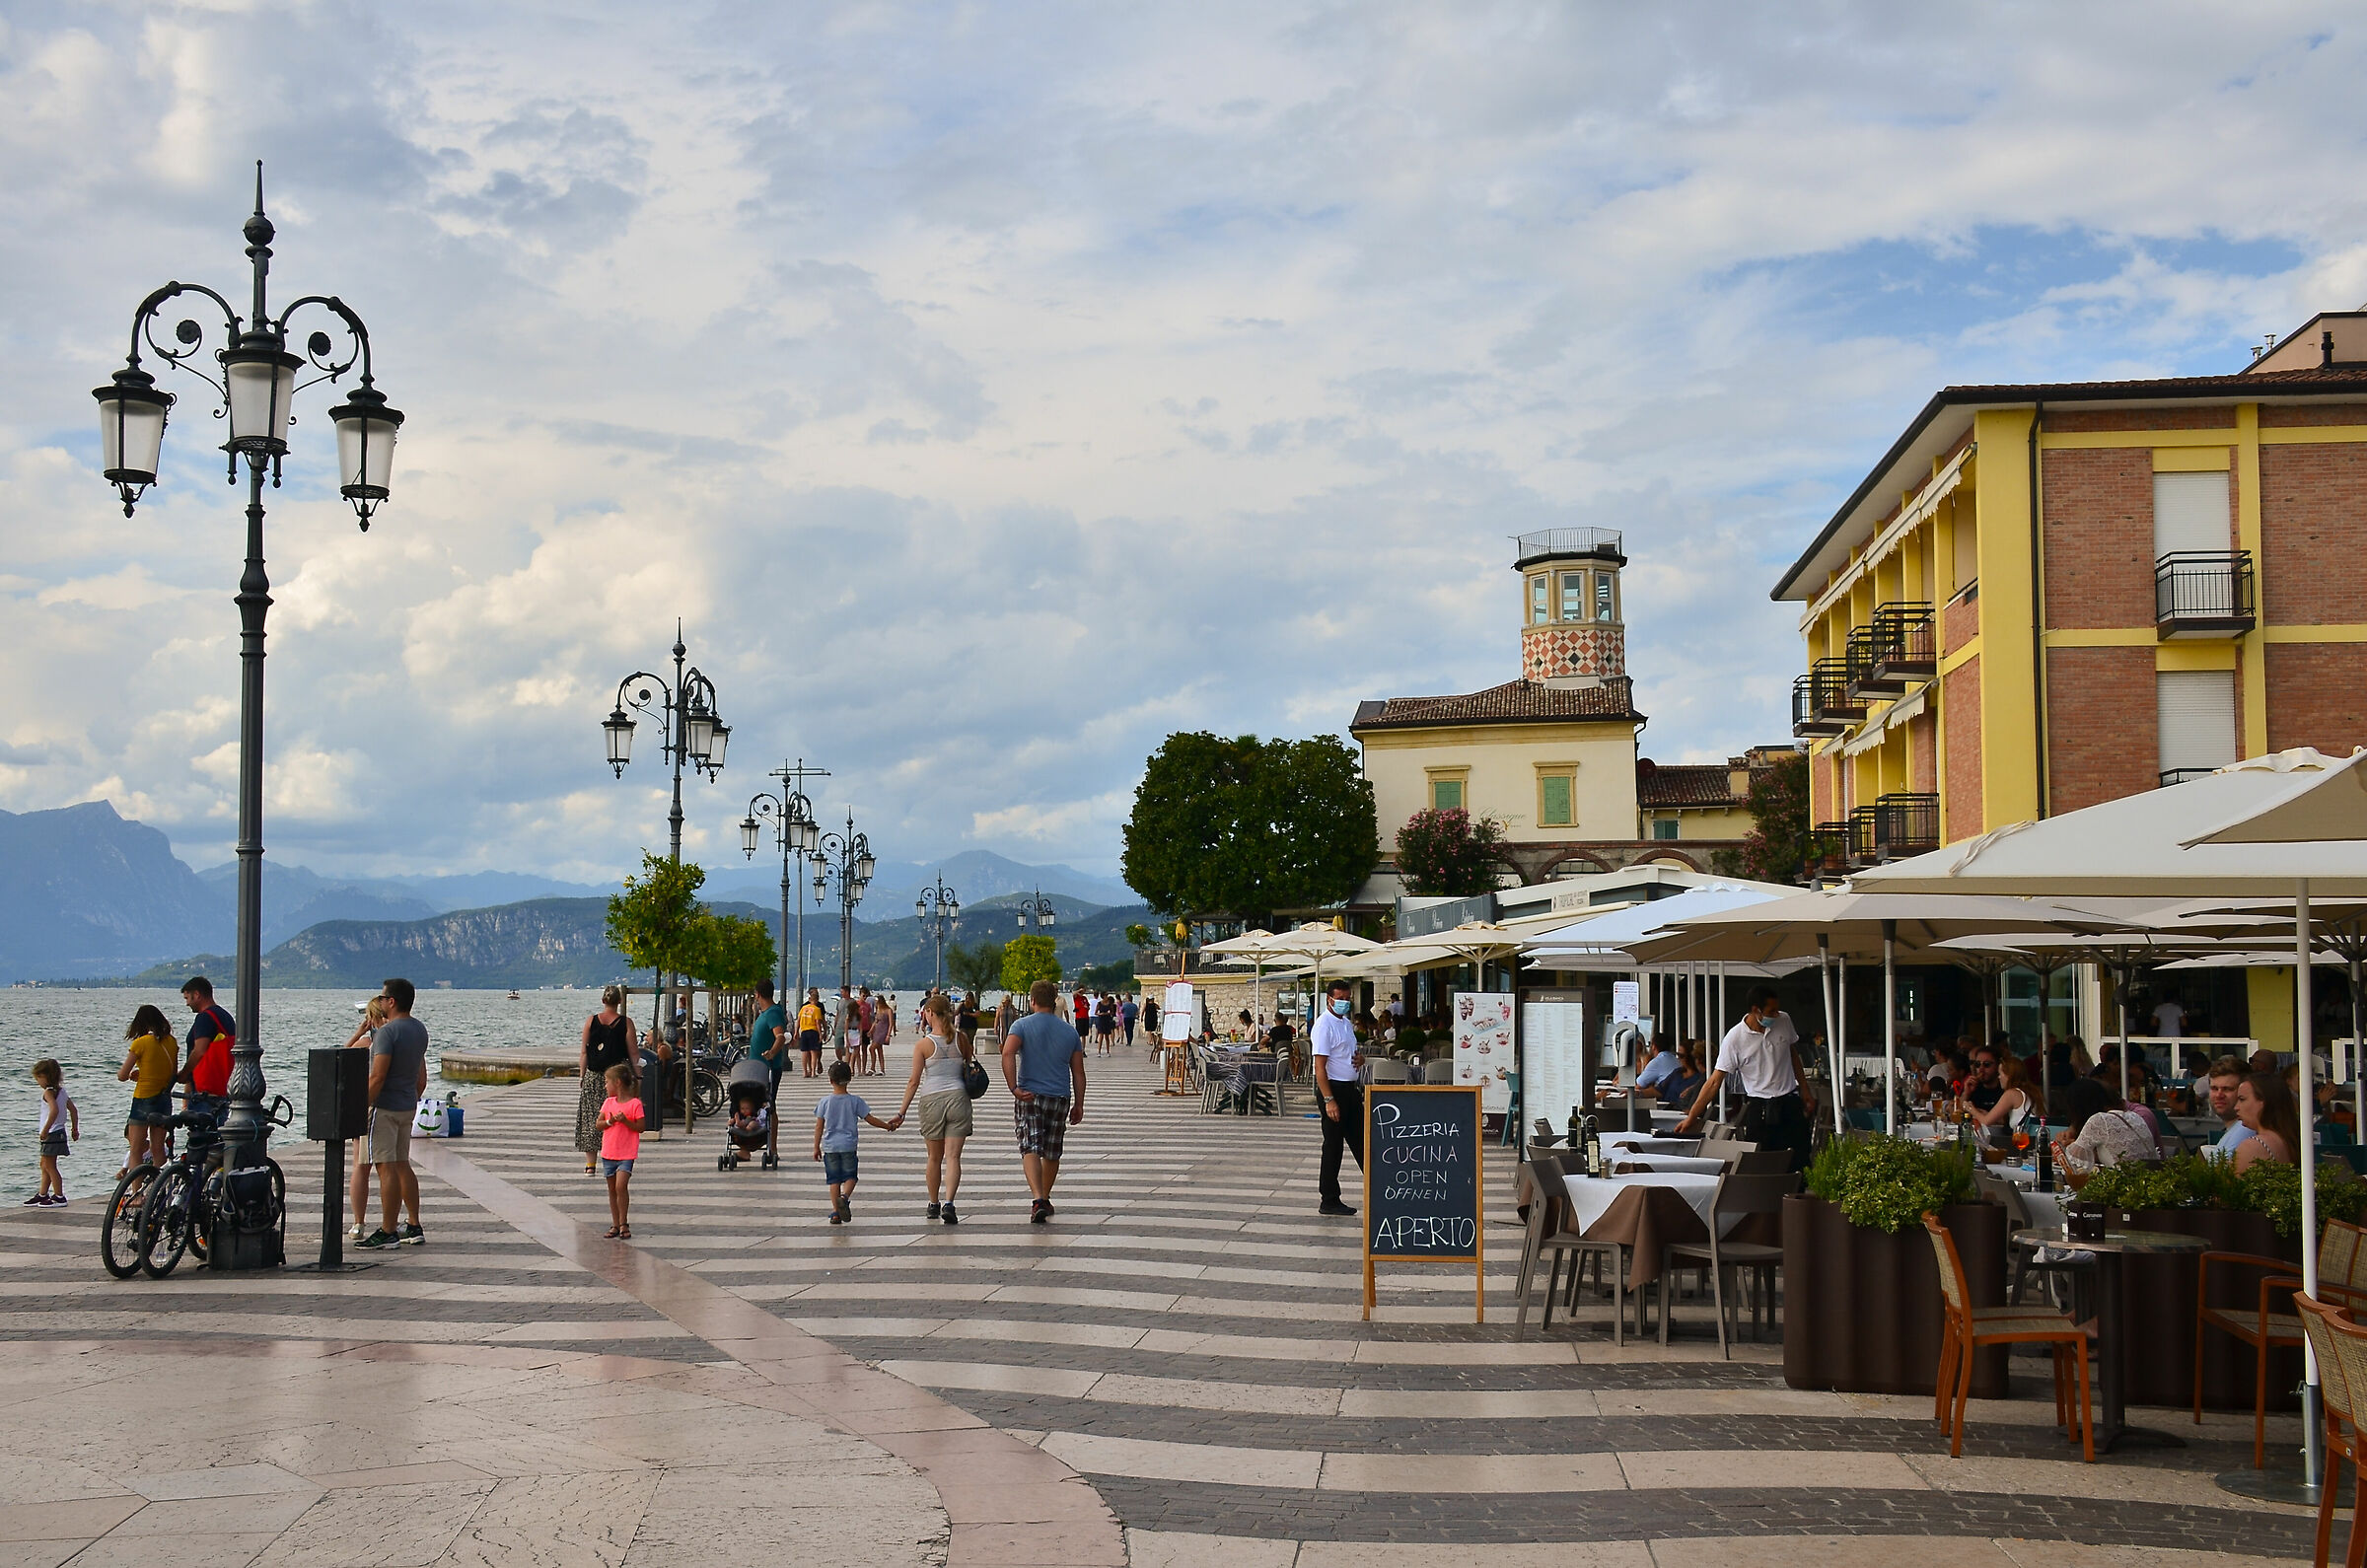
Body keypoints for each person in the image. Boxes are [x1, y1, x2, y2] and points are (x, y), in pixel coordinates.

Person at [1677, 984, 1811, 1170]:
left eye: (1777, 1009)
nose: (1776, 1014)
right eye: (1771, 1011)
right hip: (1760, 1105)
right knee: (1760, 1165)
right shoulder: (1735, 1039)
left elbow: (1792, 1054)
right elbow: (1714, 1081)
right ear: (1756, 1010)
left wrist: (1805, 1089)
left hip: (1789, 1100)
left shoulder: (1784, 1019)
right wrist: (1692, 1116)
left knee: (1800, 1161)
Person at [1001, 978, 1086, 1225]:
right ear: (1054, 1001)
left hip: (1030, 1095)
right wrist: (1079, 1104)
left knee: (1030, 1147)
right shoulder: (1070, 1032)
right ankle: (1045, 1197)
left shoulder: (1021, 1025)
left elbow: (1007, 1053)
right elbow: (1078, 1072)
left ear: (1033, 1001)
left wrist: (1013, 1088)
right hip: (1059, 1097)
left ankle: (1038, 1198)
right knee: (1051, 1151)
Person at [888, 993, 971, 1224]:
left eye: (926, 1011)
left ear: (930, 1013)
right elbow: (969, 1064)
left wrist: (901, 1112)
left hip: (932, 1100)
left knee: (934, 1157)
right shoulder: (961, 1039)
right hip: (958, 1099)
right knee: (953, 1157)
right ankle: (949, 1203)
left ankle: (934, 1203)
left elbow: (913, 1082)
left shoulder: (924, 1045)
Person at [360, 977, 428, 1249]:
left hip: (384, 1107)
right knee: (402, 1164)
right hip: (407, 1105)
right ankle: (413, 1223)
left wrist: (361, 1106)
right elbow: (420, 1075)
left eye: (382, 997)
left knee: (385, 1167)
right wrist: (414, 1096)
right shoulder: (419, 1029)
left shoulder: (387, 1033)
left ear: (391, 1001)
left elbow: (378, 1076)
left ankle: (388, 1230)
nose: (380, 1001)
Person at [814, 1059, 896, 1224]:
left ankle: (836, 1213)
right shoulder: (855, 1101)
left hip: (830, 1147)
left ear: (830, 1080)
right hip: (848, 1145)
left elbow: (819, 1127)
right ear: (849, 1079)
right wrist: (887, 1126)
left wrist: (816, 1147)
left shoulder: (824, 1102)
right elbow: (870, 1119)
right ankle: (844, 1197)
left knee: (834, 1180)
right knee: (851, 1176)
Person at [1312, 978, 1364, 1216]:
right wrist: (1328, 1099)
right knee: (1333, 1145)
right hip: (1333, 1089)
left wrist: (1360, 1060)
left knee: (1362, 1140)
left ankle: (1379, 1188)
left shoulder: (1346, 1023)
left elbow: (1346, 1054)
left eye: (1347, 999)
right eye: (1340, 999)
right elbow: (1319, 1067)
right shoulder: (1324, 1025)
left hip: (1350, 1088)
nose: (1345, 1002)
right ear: (1330, 999)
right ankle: (1329, 1198)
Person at [341, 996, 391, 1236]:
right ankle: (390, 1222)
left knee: (360, 1166)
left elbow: (340, 1058)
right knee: (390, 1168)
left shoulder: (367, 1043)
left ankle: (358, 1222)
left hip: (367, 1106)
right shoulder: (394, 1040)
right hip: (391, 1105)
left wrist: (358, 1033)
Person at [577, 987, 637, 1176]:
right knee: (617, 1117)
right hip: (617, 1077)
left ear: (603, 1000)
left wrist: (582, 1075)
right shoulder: (626, 1023)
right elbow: (634, 1053)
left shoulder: (591, 1021)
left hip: (594, 1076)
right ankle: (617, 1159)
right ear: (619, 1001)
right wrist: (638, 1076)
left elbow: (584, 1052)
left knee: (591, 1119)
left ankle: (590, 1164)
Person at [2053, 1078, 2154, 1187]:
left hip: (2122, 1190)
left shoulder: (2099, 1120)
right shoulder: (2134, 1116)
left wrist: (2064, 1147)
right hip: (2149, 1188)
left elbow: (2072, 1168)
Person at [116, 1004, 179, 1177]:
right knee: (158, 1149)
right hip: (164, 1099)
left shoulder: (140, 1043)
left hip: (143, 1099)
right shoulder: (171, 1042)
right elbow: (172, 1073)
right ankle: (158, 1187)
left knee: (136, 1149)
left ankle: (137, 1191)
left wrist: (132, 1075)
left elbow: (122, 1075)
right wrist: (144, 1072)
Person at [178, 975, 235, 1128]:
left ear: (197, 994)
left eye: (187, 998)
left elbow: (199, 1051)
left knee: (201, 1135)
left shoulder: (205, 1018)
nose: (187, 1003)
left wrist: (184, 1073)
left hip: (205, 1090)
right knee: (217, 1131)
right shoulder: (225, 1016)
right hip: (222, 1086)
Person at [595, 1063, 644, 1240]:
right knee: (612, 1189)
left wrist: (625, 1122)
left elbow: (640, 1127)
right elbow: (599, 1124)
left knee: (620, 1186)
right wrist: (610, 1121)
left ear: (617, 1083)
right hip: (609, 1152)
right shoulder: (608, 1103)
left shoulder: (635, 1104)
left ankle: (624, 1222)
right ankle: (615, 1224)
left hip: (626, 1153)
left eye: (607, 1082)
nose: (605, 1086)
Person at [2231, 1072, 2300, 1175]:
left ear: (2263, 1102)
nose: (2236, 1107)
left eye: (2242, 1099)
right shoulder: (2291, 1140)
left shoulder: (2252, 1146)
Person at [29, 1059, 76, 1207]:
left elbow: (54, 1110)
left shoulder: (48, 1093)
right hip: (59, 1131)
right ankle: (43, 1194)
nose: (38, 1081)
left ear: (47, 1077)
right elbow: (73, 1110)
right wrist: (74, 1129)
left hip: (51, 1133)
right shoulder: (62, 1092)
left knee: (50, 1166)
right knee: (44, 1164)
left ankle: (59, 1196)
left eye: (39, 1077)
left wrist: (45, 1129)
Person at [1972, 1055, 2041, 1138]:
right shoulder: (2028, 1091)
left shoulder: (2012, 1094)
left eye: (2000, 1074)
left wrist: (1970, 1108)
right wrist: (1988, 1115)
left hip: (2025, 1141)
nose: (1999, 1077)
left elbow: (1986, 1122)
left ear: (2009, 1075)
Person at [2202, 1056, 2254, 1159]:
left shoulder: (2246, 1129)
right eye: (2214, 1088)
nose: (2219, 1095)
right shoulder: (2236, 1129)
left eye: (2227, 1089)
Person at [748, 978, 789, 1105]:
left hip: (768, 1068)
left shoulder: (773, 1013)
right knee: (761, 1104)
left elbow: (780, 1036)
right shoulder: (766, 1013)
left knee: (767, 1104)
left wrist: (772, 1053)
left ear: (758, 994)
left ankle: (771, 1118)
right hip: (758, 1067)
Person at [1964, 1047, 2005, 1115]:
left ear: (1998, 1066)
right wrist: (1966, 1093)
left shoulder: (2004, 1089)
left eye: (1986, 1064)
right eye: (1977, 1064)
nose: (1981, 1069)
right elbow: (1958, 1112)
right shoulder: (1974, 1087)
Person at [798, 988, 826, 1077]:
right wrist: (821, 1034)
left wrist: (796, 1031)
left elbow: (798, 1020)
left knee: (804, 1052)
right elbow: (818, 1022)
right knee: (813, 1052)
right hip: (813, 1031)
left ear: (810, 999)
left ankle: (805, 1072)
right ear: (817, 1000)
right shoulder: (817, 1009)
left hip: (804, 1031)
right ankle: (813, 1072)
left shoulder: (803, 1008)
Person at [872, 992, 898, 1078]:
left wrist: (888, 1035)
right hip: (877, 1030)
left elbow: (891, 1023)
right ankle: (881, 1069)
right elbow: (875, 1021)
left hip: (883, 1031)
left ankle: (873, 1067)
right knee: (879, 1050)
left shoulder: (888, 1010)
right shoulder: (878, 1010)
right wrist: (871, 1030)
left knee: (871, 1048)